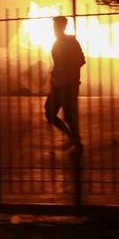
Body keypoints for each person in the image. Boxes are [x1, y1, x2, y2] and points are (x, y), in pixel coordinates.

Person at [44, 15, 86, 151]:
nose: (55, 29)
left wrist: (68, 72)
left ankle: (76, 141)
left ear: (63, 27)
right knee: (49, 111)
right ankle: (73, 138)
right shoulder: (56, 43)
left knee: (68, 115)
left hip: (69, 84)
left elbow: (81, 60)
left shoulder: (71, 41)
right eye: (54, 26)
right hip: (58, 84)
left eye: (57, 26)